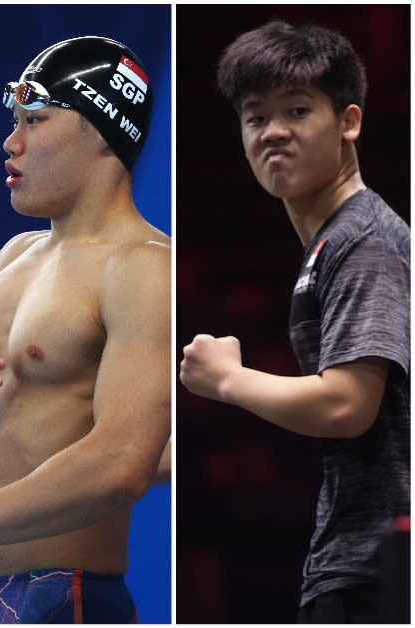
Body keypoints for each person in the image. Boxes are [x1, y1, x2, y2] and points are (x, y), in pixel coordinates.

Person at [179, 21, 410, 623]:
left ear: (349, 122)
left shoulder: (364, 242)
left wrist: (227, 378)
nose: (273, 131)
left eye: (299, 110)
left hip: (381, 567)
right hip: (359, 559)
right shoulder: (332, 245)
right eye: (255, 118)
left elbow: (346, 405)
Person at [0, 36, 171, 623]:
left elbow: (122, 461)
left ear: (100, 131)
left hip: (68, 597)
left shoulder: (143, 267)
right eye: (14, 122)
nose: (10, 143)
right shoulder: (13, 257)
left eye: (35, 121)